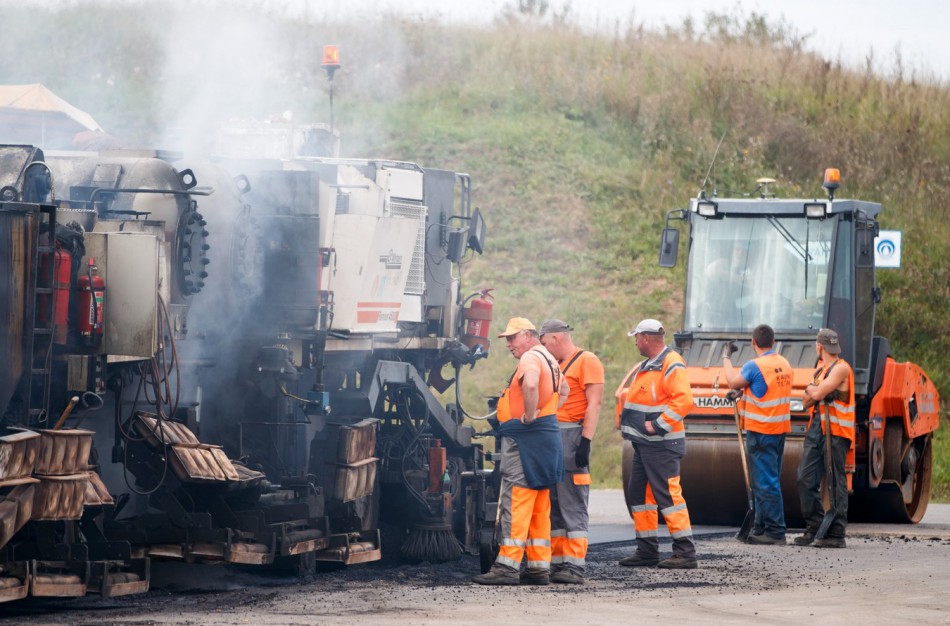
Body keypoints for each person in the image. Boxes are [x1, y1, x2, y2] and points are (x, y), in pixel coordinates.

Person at [473, 317, 569, 585]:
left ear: (528, 335)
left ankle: (507, 566)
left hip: (525, 440)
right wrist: (546, 413)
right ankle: (538, 567)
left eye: (513, 338)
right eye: (507, 339)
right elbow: (564, 390)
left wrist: (529, 416)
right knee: (540, 502)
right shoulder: (550, 359)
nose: (509, 344)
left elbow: (529, 385)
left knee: (517, 499)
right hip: (545, 438)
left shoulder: (530, 359)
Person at [617, 319, 697, 569]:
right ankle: (647, 550)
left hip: (662, 443)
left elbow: (683, 400)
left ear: (647, 338)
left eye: (637, 337)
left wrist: (659, 424)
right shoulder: (648, 365)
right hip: (644, 444)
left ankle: (685, 552)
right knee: (639, 496)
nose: (635, 341)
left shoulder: (671, 363)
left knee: (669, 497)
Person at [538, 319, 604, 584]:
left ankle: (575, 566)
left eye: (544, 343)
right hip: (553, 436)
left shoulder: (587, 361)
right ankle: (559, 562)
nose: (543, 348)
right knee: (554, 502)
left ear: (555, 338)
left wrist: (585, 441)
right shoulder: (556, 366)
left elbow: (595, 403)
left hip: (572, 436)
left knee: (573, 501)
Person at [721, 324, 793, 545]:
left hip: (761, 431)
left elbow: (733, 381)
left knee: (764, 482)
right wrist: (744, 391)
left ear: (754, 343)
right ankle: (761, 526)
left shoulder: (755, 366)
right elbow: (764, 389)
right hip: (779, 431)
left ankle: (775, 531)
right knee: (769, 480)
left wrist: (726, 356)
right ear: (773, 342)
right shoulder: (784, 363)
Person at [796, 328, 854, 548]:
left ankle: (837, 532)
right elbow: (805, 402)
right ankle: (815, 526)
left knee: (835, 479)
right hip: (817, 429)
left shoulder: (841, 369)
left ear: (819, 346)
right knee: (805, 477)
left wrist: (813, 388)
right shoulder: (820, 371)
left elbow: (816, 395)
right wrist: (815, 389)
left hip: (836, 432)